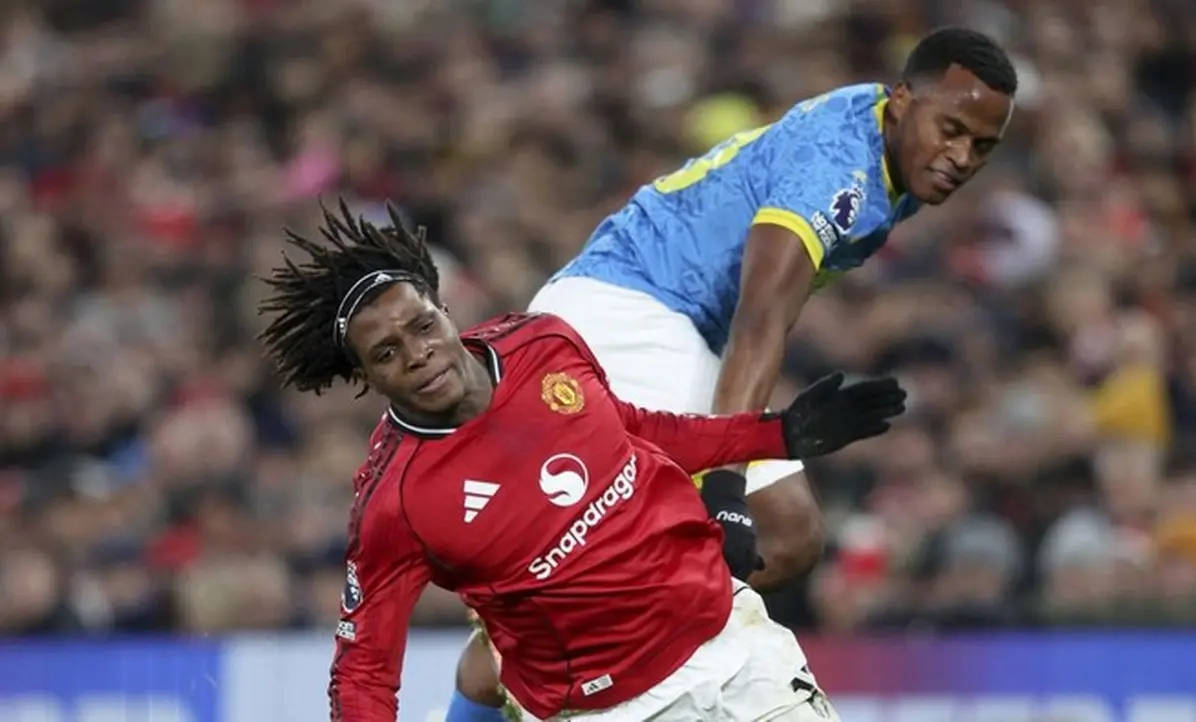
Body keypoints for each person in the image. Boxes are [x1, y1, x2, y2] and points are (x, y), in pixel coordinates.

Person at [451, 25, 1019, 721]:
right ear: (902, 99)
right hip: (626, 316)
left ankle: (512, 659)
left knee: (778, 540)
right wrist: (725, 483)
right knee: (777, 530)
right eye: (951, 130)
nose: (961, 157)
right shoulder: (838, 169)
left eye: (981, 147)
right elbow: (760, 318)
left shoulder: (885, 148)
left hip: (649, 322)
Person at [257, 203, 907, 721]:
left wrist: (778, 435)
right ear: (366, 376)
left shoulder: (543, 343)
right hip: (607, 709)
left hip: (735, 648)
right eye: (386, 353)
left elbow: (635, 430)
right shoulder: (395, 502)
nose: (417, 354)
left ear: (445, 310)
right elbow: (364, 670)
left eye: (422, 327)